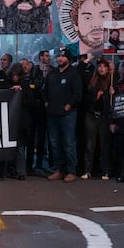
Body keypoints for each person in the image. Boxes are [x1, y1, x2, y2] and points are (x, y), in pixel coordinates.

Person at [45, 47, 83, 182]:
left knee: (68, 143)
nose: (60, 59)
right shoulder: (52, 73)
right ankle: (59, 169)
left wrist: (69, 105)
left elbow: (78, 93)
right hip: (52, 114)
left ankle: (71, 171)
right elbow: (46, 90)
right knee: (55, 144)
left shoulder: (73, 73)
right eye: (59, 56)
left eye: (63, 56)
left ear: (68, 59)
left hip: (68, 115)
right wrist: (46, 102)